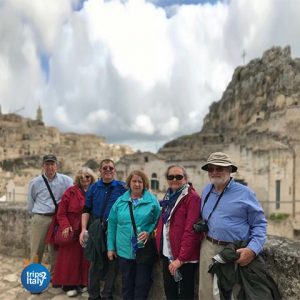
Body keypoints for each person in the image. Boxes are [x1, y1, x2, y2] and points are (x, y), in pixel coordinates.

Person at [198, 152, 267, 300]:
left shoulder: (246, 193)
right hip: (208, 247)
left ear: (230, 170)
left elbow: (260, 225)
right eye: (211, 168)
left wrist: (252, 250)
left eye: (219, 168)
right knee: (206, 292)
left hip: (233, 251)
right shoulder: (206, 191)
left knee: (234, 294)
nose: (214, 172)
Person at [107, 170, 161, 300]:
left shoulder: (152, 201)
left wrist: (149, 232)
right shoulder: (120, 201)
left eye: (140, 181)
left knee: (142, 285)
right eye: (134, 181)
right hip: (124, 250)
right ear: (129, 183)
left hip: (144, 250)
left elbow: (158, 221)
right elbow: (112, 225)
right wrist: (110, 247)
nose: (137, 184)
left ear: (144, 183)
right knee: (127, 284)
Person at [79, 159, 126, 300]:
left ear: (114, 170)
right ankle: (93, 295)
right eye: (105, 168)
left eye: (111, 168)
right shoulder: (93, 188)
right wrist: (83, 229)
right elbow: (86, 209)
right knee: (94, 262)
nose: (108, 170)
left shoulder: (122, 187)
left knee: (113, 262)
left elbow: (139, 195)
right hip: (96, 228)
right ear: (100, 170)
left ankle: (107, 295)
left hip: (114, 229)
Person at [155, 165, 202, 300]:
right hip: (167, 255)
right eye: (171, 177)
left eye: (179, 177)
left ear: (185, 179)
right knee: (170, 294)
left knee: (185, 295)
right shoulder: (169, 195)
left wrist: (181, 259)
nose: (174, 179)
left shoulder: (192, 198)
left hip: (183, 259)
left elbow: (191, 231)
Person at [50, 167, 97, 297]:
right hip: (72, 229)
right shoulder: (70, 192)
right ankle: (69, 284)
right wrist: (65, 226)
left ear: (91, 178)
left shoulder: (95, 192)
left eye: (87, 176)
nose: (84, 179)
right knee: (69, 258)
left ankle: (83, 283)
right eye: (81, 177)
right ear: (78, 179)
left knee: (85, 258)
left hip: (88, 228)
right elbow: (61, 212)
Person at [27, 154, 73, 275]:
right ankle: (34, 278)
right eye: (47, 164)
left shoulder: (66, 181)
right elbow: (30, 203)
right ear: (43, 166)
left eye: (52, 164)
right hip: (41, 218)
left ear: (56, 166)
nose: (50, 167)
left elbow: (72, 197)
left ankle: (54, 277)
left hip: (57, 219)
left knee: (56, 251)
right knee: (36, 250)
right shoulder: (35, 182)